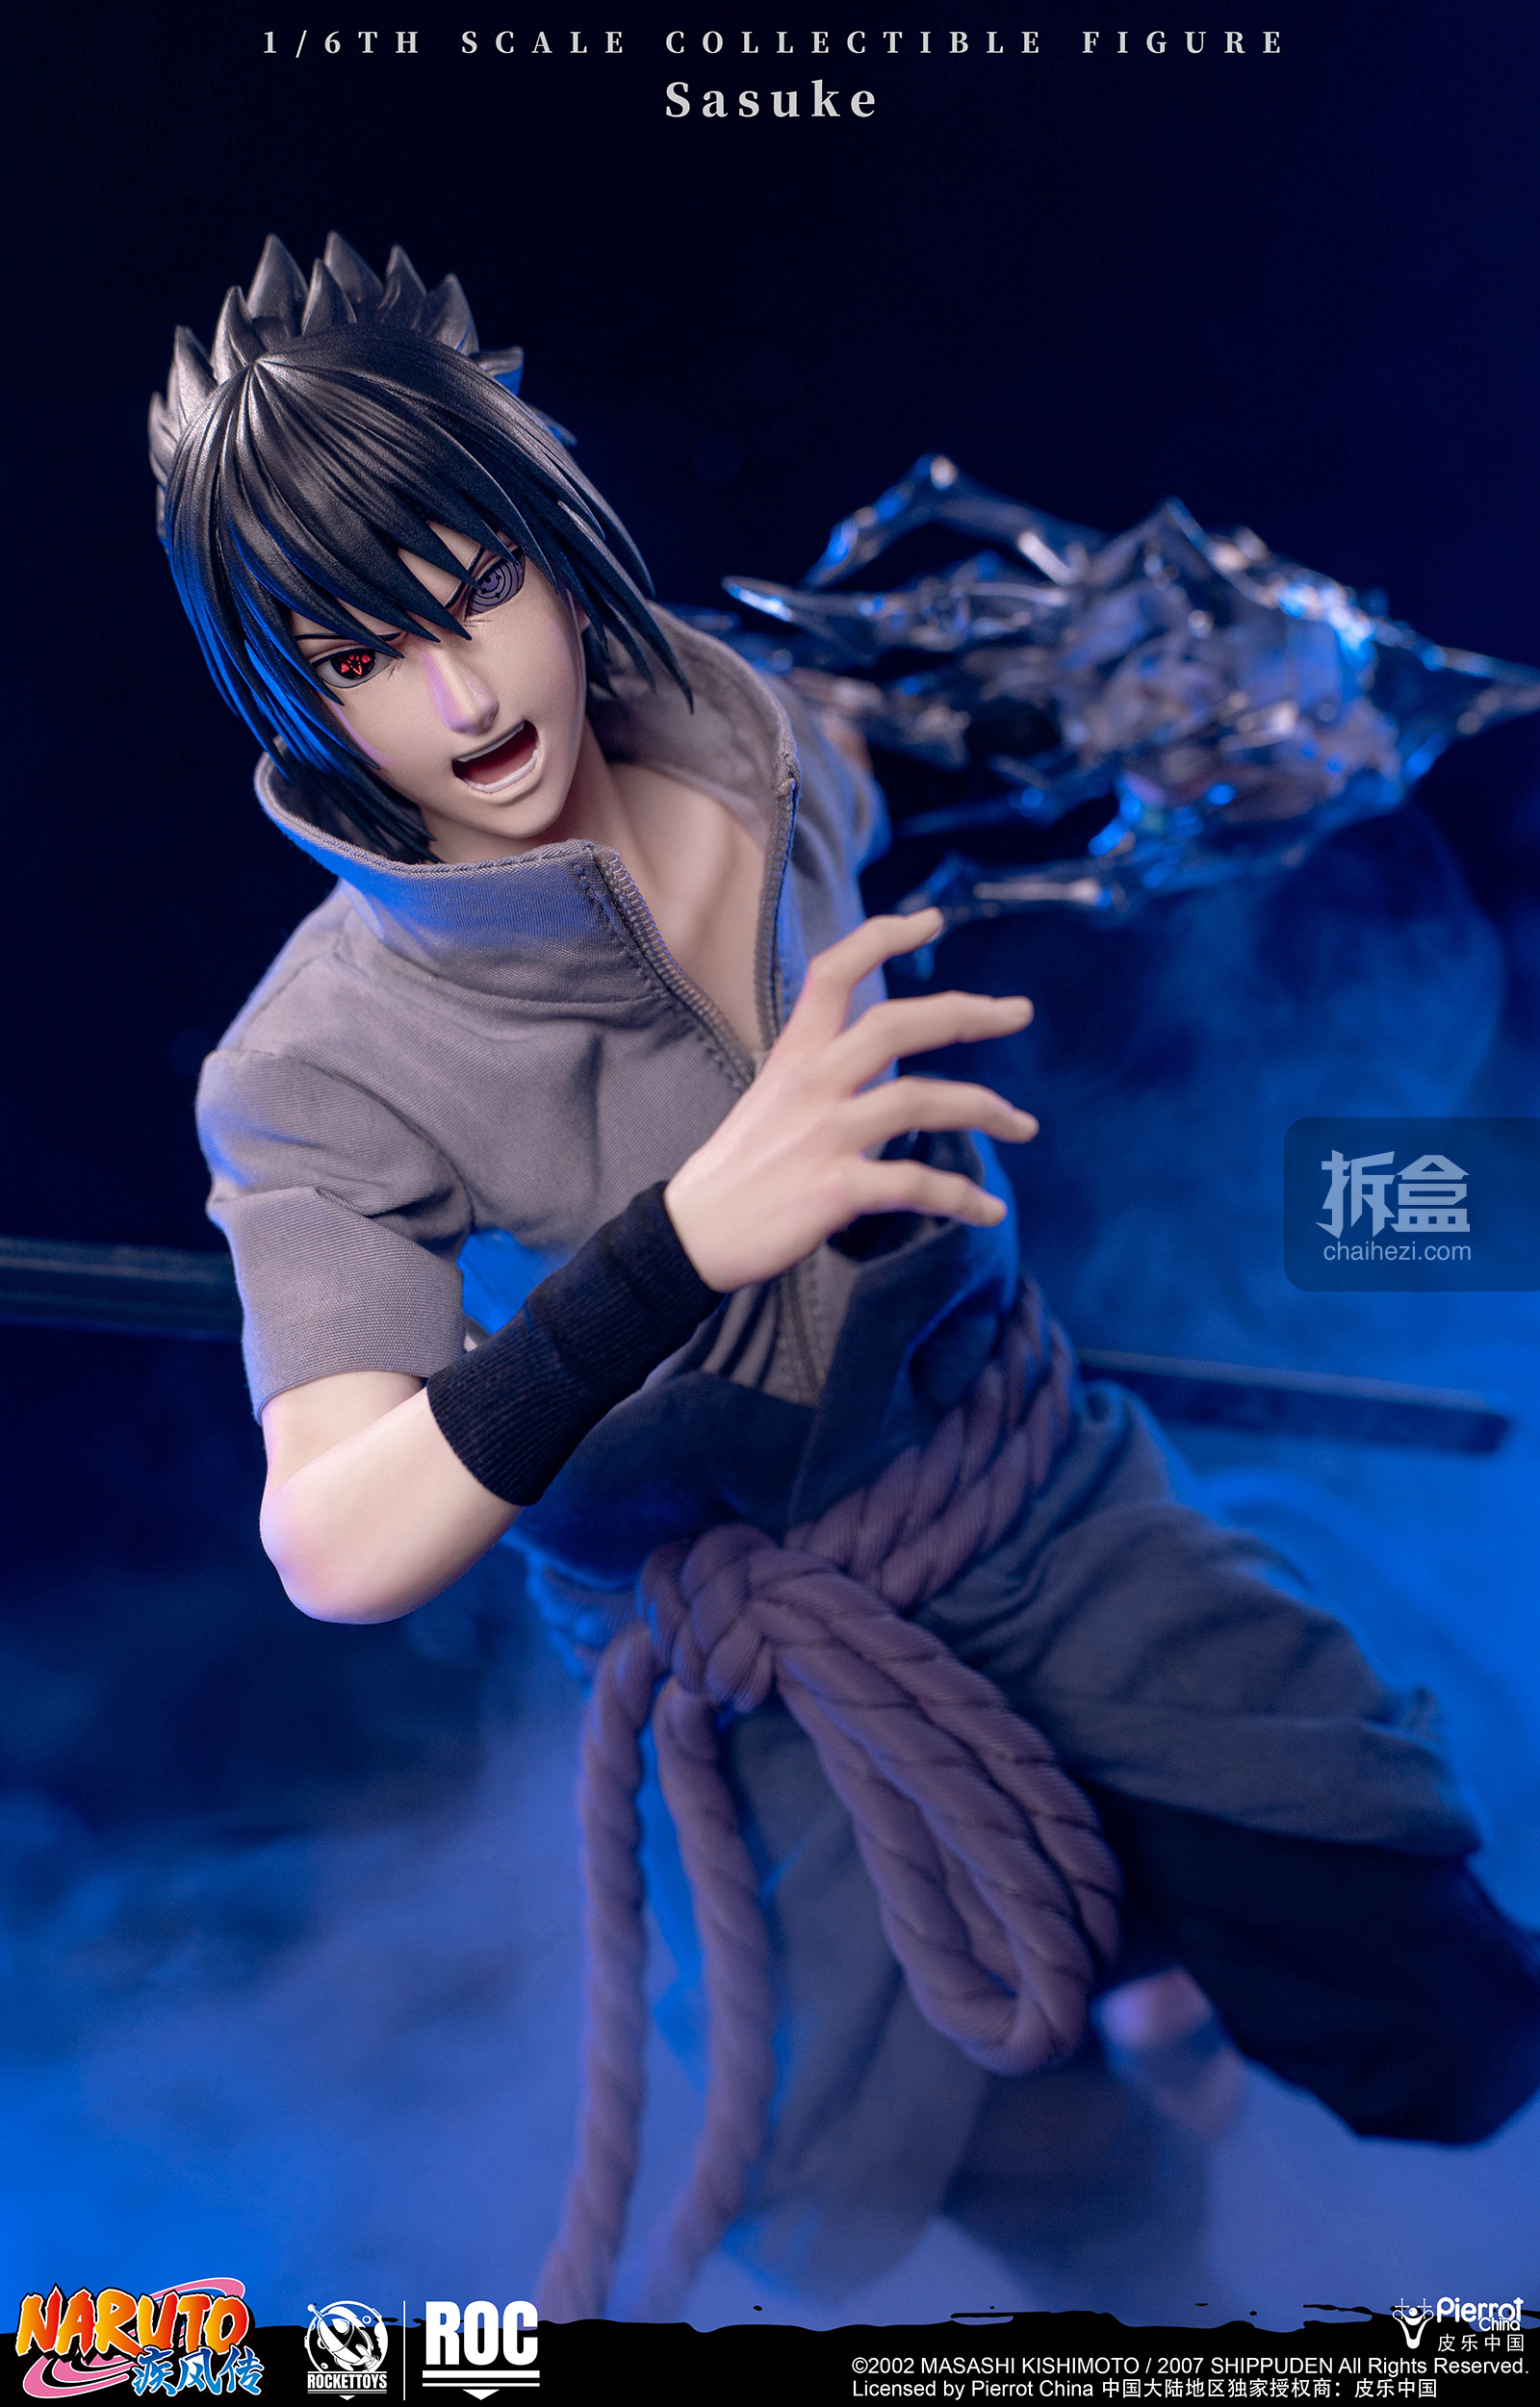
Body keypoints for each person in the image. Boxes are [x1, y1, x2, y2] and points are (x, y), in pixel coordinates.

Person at [153, 234, 1540, 2314]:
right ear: (290, 692)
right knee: (914, 2174)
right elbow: (337, 1541)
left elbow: (960, 709)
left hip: (1031, 1488)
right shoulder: (315, 1068)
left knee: (1436, 2003)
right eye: (363, 658)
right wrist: (682, 1242)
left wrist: (1214, 701)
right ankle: (1124, 2116)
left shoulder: (745, 722)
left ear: (552, 539)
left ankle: (1162, 1939)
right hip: (760, 1655)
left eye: (476, 596)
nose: (461, 702)